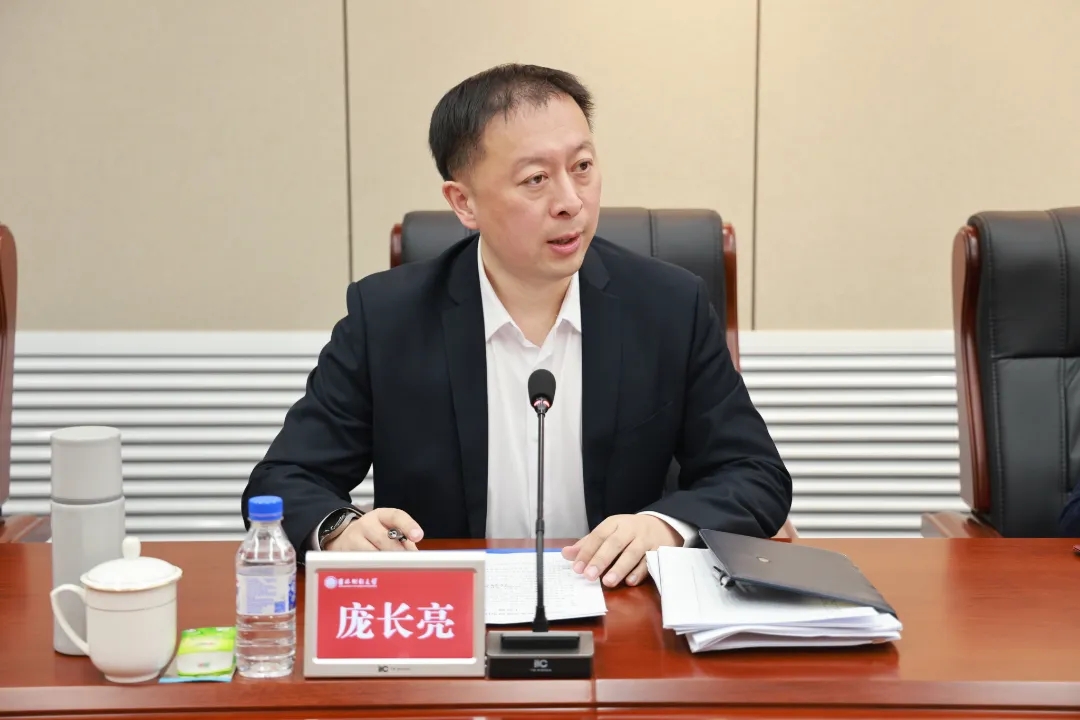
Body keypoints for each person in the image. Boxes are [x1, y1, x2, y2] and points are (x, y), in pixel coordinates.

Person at [242, 63, 792, 587]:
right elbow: (284, 481)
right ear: (464, 202)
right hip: (451, 612)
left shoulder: (669, 306)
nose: (571, 201)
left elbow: (753, 473)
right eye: (535, 179)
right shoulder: (386, 318)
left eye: (582, 167)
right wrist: (339, 529)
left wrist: (664, 527)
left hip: (623, 606)